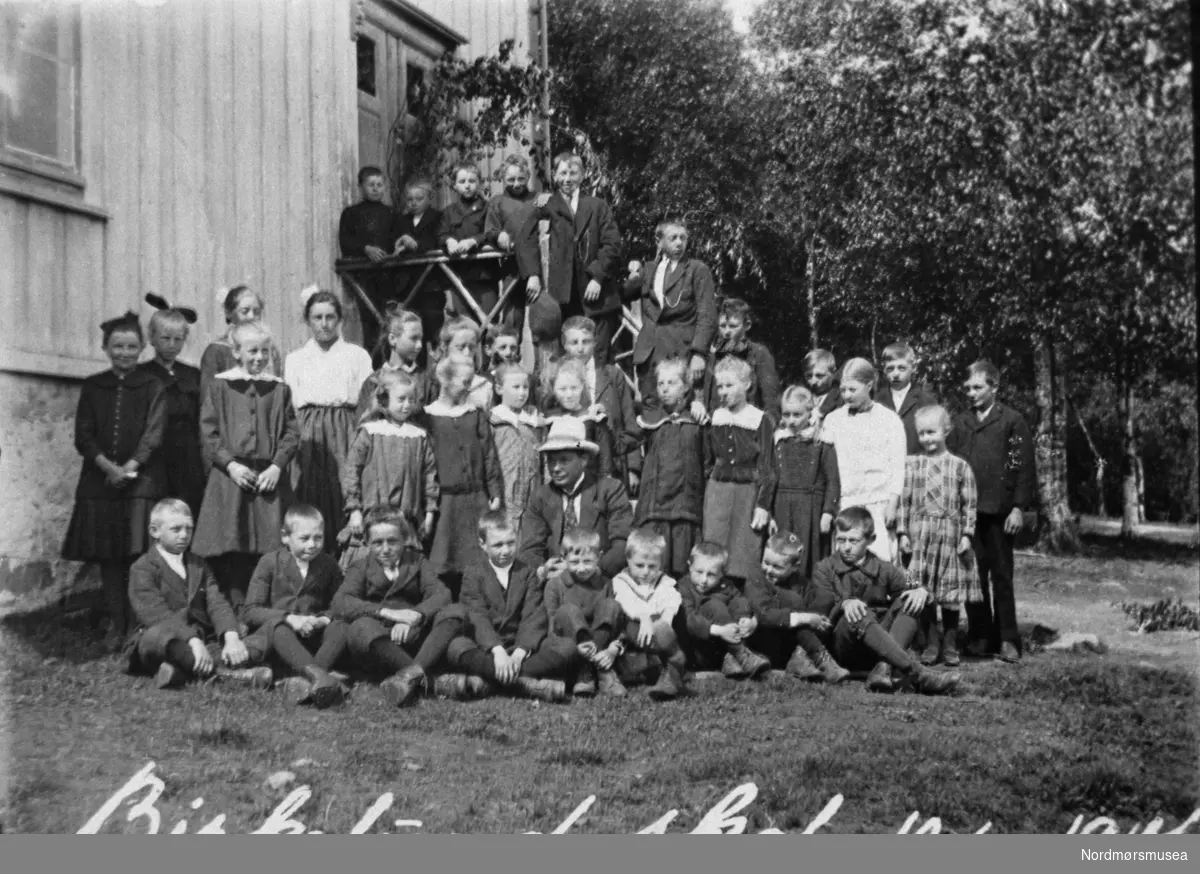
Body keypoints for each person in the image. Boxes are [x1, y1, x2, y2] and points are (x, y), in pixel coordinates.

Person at [63, 312, 166, 650]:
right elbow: (84, 435)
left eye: (132, 346)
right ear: (105, 348)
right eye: (118, 346)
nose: (125, 352)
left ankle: (138, 625)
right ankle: (116, 622)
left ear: (142, 348)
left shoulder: (154, 386)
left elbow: (154, 433)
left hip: (142, 483)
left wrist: (132, 467)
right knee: (108, 556)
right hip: (100, 482)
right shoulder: (94, 386)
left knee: (138, 553)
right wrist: (109, 468)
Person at [192, 322, 300, 616]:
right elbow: (209, 432)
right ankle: (236, 607)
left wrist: (277, 466)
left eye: (265, 351)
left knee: (268, 544)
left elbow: (291, 433)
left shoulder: (279, 389)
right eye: (252, 351)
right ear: (237, 352)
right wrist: (231, 465)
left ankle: (262, 606)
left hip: (268, 478)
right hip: (232, 477)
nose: (259, 357)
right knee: (234, 544)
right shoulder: (220, 386)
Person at [810, 507, 960, 696]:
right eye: (841, 540)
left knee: (910, 600)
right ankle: (915, 673)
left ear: (870, 540)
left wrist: (921, 590)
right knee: (857, 611)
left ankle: (884, 668)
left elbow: (913, 582)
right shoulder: (824, 568)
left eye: (853, 541)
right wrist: (844, 604)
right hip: (843, 646)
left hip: (878, 649)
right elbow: (820, 611)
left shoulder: (883, 567)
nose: (846, 547)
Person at [127, 499, 272, 689]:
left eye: (189, 528)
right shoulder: (142, 568)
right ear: (155, 531)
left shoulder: (198, 564)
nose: (184, 535)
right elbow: (156, 615)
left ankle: (179, 673)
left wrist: (231, 636)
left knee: (261, 641)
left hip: (203, 640)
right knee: (163, 640)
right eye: (176, 529)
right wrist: (192, 640)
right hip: (162, 638)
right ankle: (227, 675)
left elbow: (216, 603)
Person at [946, 360, 1036, 664]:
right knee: (973, 577)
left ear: (994, 387)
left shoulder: (1011, 421)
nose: (971, 393)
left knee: (1001, 577)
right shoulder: (960, 424)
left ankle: (1008, 638)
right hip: (968, 515)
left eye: (978, 387)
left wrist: (1018, 508)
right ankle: (980, 635)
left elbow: (1020, 466)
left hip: (999, 513)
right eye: (968, 388)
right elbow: (952, 464)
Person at [331, 509, 466, 707]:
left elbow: (441, 594)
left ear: (404, 539)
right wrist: (389, 614)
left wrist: (416, 615)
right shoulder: (360, 567)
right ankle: (424, 680)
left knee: (456, 611)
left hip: (412, 637)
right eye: (377, 543)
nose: (385, 549)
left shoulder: (417, 561)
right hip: (377, 645)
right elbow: (341, 601)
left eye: (392, 541)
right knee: (361, 626)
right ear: (367, 543)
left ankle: (409, 676)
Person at [444, 511, 572, 702]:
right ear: (482, 544)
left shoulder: (527, 573)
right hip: (487, 648)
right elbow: (477, 616)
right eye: (497, 545)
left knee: (567, 647)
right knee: (457, 646)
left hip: (521, 650)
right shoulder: (473, 574)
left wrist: (519, 654)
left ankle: (486, 683)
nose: (506, 551)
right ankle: (526, 685)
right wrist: (497, 650)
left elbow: (534, 616)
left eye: (511, 543)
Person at [284, 289, 373, 552]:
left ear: (340, 319)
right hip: (310, 429)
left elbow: (367, 399)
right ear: (307, 320)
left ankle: (346, 557)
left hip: (345, 426)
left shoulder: (357, 355)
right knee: (312, 490)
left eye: (330, 317)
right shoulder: (296, 358)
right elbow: (291, 401)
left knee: (345, 489)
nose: (324, 324)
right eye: (317, 317)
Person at [516, 153, 623, 364]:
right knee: (564, 357)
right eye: (562, 173)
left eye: (573, 173)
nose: (567, 179)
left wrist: (598, 277)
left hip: (595, 295)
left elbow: (612, 244)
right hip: (560, 295)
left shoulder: (597, 206)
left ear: (582, 176)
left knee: (598, 355)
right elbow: (525, 240)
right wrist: (533, 275)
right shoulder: (545, 206)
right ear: (554, 176)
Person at [898, 405, 979, 668]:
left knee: (950, 593)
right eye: (922, 434)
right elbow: (905, 501)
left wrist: (967, 534)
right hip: (920, 536)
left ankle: (951, 644)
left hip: (949, 536)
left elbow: (969, 504)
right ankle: (932, 643)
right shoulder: (913, 464)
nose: (927, 439)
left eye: (932, 432)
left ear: (946, 431)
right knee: (925, 591)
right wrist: (902, 532)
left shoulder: (960, 467)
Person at [243, 504, 348, 708]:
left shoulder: (328, 565)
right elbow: (250, 611)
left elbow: (340, 604)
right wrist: (290, 618)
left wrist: (322, 619)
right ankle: (323, 678)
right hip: (280, 642)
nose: (312, 545)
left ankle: (304, 680)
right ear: (285, 537)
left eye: (318, 538)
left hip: (312, 640)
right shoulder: (269, 562)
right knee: (278, 627)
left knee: (341, 627)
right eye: (305, 538)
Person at [340, 368, 439, 567]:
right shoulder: (370, 432)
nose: (407, 405)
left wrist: (428, 514)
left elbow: (429, 476)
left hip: (405, 521)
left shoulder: (419, 437)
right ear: (384, 401)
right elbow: (351, 471)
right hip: (372, 517)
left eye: (411, 400)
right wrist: (355, 510)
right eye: (401, 399)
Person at [517, 417, 634, 581]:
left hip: (599, 581)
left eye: (564, 460)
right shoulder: (540, 497)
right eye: (551, 460)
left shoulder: (610, 490)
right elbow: (529, 549)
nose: (555, 468)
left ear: (584, 460)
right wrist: (543, 569)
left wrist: (587, 569)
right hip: (554, 583)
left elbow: (623, 543)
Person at [425, 356, 503, 589]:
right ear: (445, 380)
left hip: (475, 498)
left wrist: (494, 491)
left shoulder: (475, 414)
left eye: (471, 382)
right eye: (464, 382)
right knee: (444, 560)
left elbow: (489, 454)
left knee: (477, 559)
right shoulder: (429, 416)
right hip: (445, 502)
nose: (468, 387)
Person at [622, 219, 717, 407]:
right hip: (650, 355)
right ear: (659, 242)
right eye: (673, 238)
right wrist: (632, 276)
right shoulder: (648, 269)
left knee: (683, 410)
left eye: (683, 238)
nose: (679, 243)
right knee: (651, 411)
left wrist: (699, 353)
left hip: (681, 351)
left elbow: (708, 315)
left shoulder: (697, 270)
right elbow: (624, 294)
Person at [819, 358, 906, 562]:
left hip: (878, 503)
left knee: (880, 560)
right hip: (846, 503)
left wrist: (893, 502)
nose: (847, 396)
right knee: (846, 561)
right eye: (843, 390)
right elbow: (827, 468)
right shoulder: (833, 420)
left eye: (852, 389)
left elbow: (897, 465)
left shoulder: (889, 419)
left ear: (869, 385)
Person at [702, 357, 776, 582]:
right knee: (714, 546)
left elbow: (768, 466)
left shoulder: (759, 419)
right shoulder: (715, 416)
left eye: (729, 385)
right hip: (718, 490)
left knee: (744, 549)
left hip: (747, 492)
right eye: (720, 386)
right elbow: (707, 458)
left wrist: (763, 504)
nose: (723, 392)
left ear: (746, 385)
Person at [633, 357, 706, 578]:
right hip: (655, 507)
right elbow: (628, 443)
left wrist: (699, 404)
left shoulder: (697, 421)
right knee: (653, 565)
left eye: (672, 383)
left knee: (682, 569)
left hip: (685, 508)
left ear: (686, 387)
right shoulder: (650, 420)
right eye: (661, 383)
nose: (664, 389)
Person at [745, 532, 848, 683]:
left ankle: (802, 657)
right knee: (795, 605)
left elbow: (818, 604)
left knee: (825, 598)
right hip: (765, 640)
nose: (768, 570)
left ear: (795, 567)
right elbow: (765, 614)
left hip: (790, 642)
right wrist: (806, 618)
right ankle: (819, 658)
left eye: (777, 566)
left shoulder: (800, 583)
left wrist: (814, 616)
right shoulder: (756, 579)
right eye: (766, 562)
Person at [541, 527, 626, 698]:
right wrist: (574, 649)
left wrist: (612, 649)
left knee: (611, 605)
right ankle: (584, 671)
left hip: (601, 644)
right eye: (574, 562)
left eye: (587, 562)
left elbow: (615, 622)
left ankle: (603, 671)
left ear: (599, 558)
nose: (581, 568)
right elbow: (552, 626)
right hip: (571, 645)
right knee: (568, 610)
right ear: (563, 558)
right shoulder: (554, 585)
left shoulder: (606, 584)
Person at [140, 294, 205, 516]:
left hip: (188, 455)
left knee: (188, 506)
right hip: (156, 456)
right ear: (152, 337)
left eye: (178, 339)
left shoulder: (193, 374)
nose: (171, 345)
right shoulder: (142, 374)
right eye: (165, 338)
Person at [559, 315, 640, 490]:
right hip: (576, 466)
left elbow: (629, 421)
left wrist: (633, 467)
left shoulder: (612, 375)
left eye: (586, 341)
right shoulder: (559, 379)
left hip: (613, 464)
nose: (580, 348)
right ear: (564, 345)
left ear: (595, 343)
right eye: (574, 343)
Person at [770, 385, 840, 580]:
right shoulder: (779, 440)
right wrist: (770, 514)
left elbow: (833, 480)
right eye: (786, 414)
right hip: (783, 506)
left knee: (809, 554)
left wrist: (828, 512)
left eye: (797, 414)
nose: (791, 420)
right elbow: (772, 478)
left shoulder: (822, 440)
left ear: (810, 412)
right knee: (783, 552)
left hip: (811, 507)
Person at [610, 528, 689, 701]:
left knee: (669, 614)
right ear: (628, 560)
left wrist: (664, 620)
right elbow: (627, 603)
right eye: (639, 565)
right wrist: (645, 617)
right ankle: (674, 660)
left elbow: (671, 599)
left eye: (652, 566)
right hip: (631, 634)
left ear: (661, 565)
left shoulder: (663, 581)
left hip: (656, 634)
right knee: (629, 621)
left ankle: (669, 670)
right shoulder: (620, 581)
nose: (645, 572)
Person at [676, 541, 771, 679]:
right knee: (714, 605)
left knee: (737, 603)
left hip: (721, 648)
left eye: (711, 575)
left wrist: (745, 619)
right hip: (699, 650)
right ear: (690, 567)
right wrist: (721, 631)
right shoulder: (683, 587)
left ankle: (733, 659)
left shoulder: (726, 585)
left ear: (722, 574)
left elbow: (740, 600)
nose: (703, 580)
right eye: (699, 572)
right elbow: (689, 619)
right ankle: (740, 654)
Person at [699, 298, 781, 423]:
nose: (726, 332)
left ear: (747, 325)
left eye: (733, 326)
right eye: (722, 326)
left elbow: (771, 402)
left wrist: (765, 430)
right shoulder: (712, 357)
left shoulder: (759, 354)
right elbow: (704, 398)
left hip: (748, 427)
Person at [200, 285, 283, 408]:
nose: (251, 316)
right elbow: (208, 401)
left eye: (256, 312)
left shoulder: (270, 350)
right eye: (245, 311)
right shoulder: (217, 350)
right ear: (229, 313)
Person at [483, 154, 538, 335]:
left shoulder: (538, 199)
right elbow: (489, 230)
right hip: (511, 268)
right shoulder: (497, 202)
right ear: (503, 179)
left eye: (521, 179)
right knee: (512, 317)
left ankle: (542, 361)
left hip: (537, 267)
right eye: (511, 179)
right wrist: (499, 235)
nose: (516, 184)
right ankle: (510, 357)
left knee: (541, 314)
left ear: (528, 177)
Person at [438, 162, 498, 325]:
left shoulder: (488, 208)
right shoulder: (449, 212)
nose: (467, 186)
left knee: (487, 325)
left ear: (479, 183)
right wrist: (449, 241)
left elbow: (491, 232)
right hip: (459, 277)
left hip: (484, 278)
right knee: (463, 326)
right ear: (455, 186)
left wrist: (474, 241)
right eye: (462, 182)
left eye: (472, 181)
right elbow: (441, 233)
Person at [489, 363, 546, 532]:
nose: (522, 393)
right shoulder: (493, 421)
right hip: (505, 491)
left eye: (525, 387)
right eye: (515, 387)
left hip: (532, 490)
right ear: (499, 389)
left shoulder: (534, 421)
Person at [393, 180, 449, 354]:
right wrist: (399, 245)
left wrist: (416, 245)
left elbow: (438, 240)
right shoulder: (402, 220)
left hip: (431, 285)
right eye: (410, 199)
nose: (414, 203)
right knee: (413, 330)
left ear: (430, 199)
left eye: (419, 198)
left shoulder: (438, 217)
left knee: (433, 329)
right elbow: (394, 241)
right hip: (408, 285)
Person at [540, 356, 616, 480]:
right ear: (553, 389)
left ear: (582, 386)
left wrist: (605, 483)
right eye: (562, 389)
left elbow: (605, 458)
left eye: (574, 388)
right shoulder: (550, 420)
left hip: (589, 484)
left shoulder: (592, 418)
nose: (569, 394)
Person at [357, 304, 436, 415]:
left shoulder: (426, 382)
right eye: (413, 338)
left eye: (421, 339)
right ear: (393, 339)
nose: (419, 346)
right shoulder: (373, 382)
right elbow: (362, 423)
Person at [876, 342, 939, 456]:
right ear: (884, 370)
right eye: (890, 369)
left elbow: (935, 444)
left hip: (916, 469)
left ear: (913, 368)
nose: (896, 374)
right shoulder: (876, 402)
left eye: (901, 368)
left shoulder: (926, 402)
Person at [338, 165, 401, 262]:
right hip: (359, 267)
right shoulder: (350, 213)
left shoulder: (392, 213)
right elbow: (345, 242)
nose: (375, 189)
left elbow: (397, 239)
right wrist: (365, 249)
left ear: (384, 187)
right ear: (360, 187)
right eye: (371, 185)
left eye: (379, 185)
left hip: (388, 266)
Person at [803, 349, 841, 431]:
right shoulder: (801, 397)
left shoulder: (840, 399)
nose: (813, 381)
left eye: (819, 376)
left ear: (834, 373)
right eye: (809, 376)